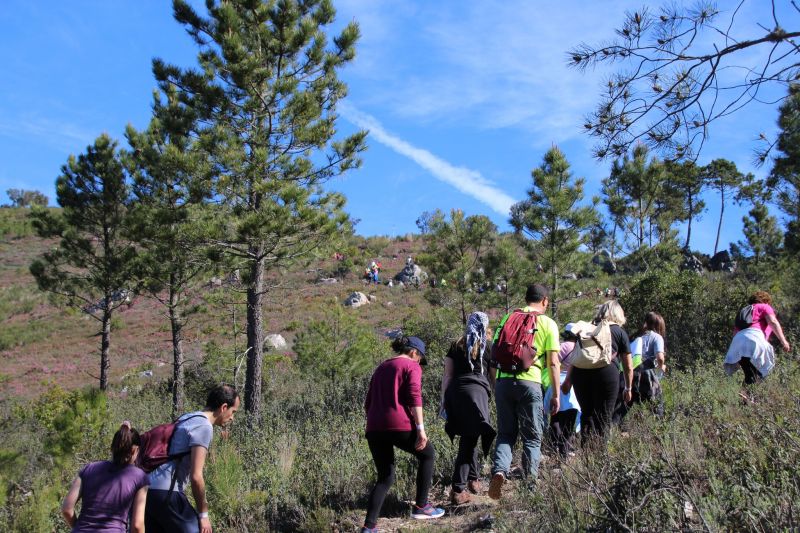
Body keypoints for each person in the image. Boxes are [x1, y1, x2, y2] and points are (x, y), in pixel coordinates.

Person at [361, 336, 445, 532]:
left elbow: (368, 402)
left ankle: (369, 527)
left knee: (385, 477)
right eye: (419, 358)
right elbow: (414, 396)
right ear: (413, 352)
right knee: (428, 454)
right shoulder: (411, 366)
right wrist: (420, 429)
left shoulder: (381, 367)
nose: (419, 362)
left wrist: (376, 421)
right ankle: (421, 506)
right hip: (398, 424)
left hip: (374, 427)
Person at [488, 284, 561, 500]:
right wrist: (556, 394)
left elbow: (494, 356)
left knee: (505, 434)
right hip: (530, 383)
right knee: (532, 437)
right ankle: (530, 485)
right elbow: (554, 362)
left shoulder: (507, 319)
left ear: (526, 298)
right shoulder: (547, 323)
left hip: (503, 382)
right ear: (545, 301)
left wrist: (497, 384)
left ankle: (500, 470)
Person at [145, 384, 240, 533]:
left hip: (147, 491)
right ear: (223, 407)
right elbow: (196, 476)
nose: (232, 418)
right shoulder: (204, 426)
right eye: (233, 412)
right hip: (167, 492)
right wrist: (204, 515)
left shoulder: (187, 417)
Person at [441, 312, 497, 505]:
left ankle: (473, 479)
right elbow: (493, 377)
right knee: (469, 439)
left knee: (470, 435)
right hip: (477, 393)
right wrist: (497, 397)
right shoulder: (487, 346)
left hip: (456, 393)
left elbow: (447, 375)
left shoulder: (456, 345)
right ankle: (457, 489)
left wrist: (444, 400)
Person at [563, 300, 633, 445]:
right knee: (604, 416)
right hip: (606, 374)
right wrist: (628, 388)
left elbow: (576, 356)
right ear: (619, 314)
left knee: (586, 414)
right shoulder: (619, 332)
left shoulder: (587, 330)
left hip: (581, 373)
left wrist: (568, 381)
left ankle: (586, 454)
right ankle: (600, 456)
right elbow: (628, 366)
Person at [61, 422, 150, 533]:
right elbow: (137, 526)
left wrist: (79, 528)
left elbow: (67, 509)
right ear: (134, 450)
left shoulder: (89, 469)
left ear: (112, 448)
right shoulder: (140, 477)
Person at [725, 291, 790, 385]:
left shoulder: (743, 311)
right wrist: (783, 341)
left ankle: (745, 396)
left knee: (750, 373)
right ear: (766, 301)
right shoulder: (764, 306)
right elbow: (773, 322)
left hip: (738, 342)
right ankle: (751, 395)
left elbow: (735, 333)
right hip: (754, 338)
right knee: (763, 371)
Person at [614, 312, 666, 423]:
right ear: (659, 324)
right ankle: (659, 433)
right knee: (657, 407)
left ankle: (607, 434)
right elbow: (660, 358)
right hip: (647, 376)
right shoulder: (657, 337)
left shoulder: (635, 336)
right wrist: (661, 367)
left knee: (621, 409)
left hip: (629, 375)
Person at [545, 324, 581, 460]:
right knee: (570, 420)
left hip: (558, 383)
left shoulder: (563, 346)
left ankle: (556, 448)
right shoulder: (579, 347)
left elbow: (552, 363)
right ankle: (565, 450)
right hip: (572, 386)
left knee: (555, 417)